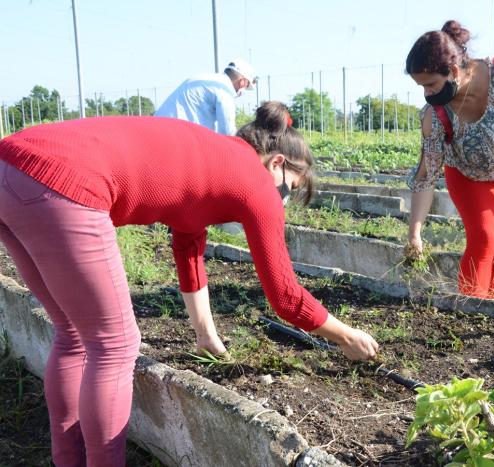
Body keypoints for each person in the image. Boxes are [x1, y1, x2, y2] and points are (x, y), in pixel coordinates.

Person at [0, 102, 378, 466]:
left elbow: (188, 248)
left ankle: (66, 460)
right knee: (115, 346)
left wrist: (206, 335)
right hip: (64, 182)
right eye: (288, 188)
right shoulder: (256, 183)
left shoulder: (215, 155)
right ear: (277, 163)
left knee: (73, 334)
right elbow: (284, 296)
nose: (283, 199)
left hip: (12, 167)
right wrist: (346, 336)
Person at [405, 20, 494, 299]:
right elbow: (426, 174)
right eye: (421, 87)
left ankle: (490, 302)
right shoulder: (433, 114)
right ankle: (472, 307)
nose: (427, 93)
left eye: (431, 84)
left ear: (454, 71)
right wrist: (415, 233)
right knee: (484, 238)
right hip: (468, 174)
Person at [155, 59, 257, 135]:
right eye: (247, 86)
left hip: (160, 126)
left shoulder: (205, 79)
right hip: (176, 133)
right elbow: (228, 133)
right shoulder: (224, 90)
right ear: (242, 82)